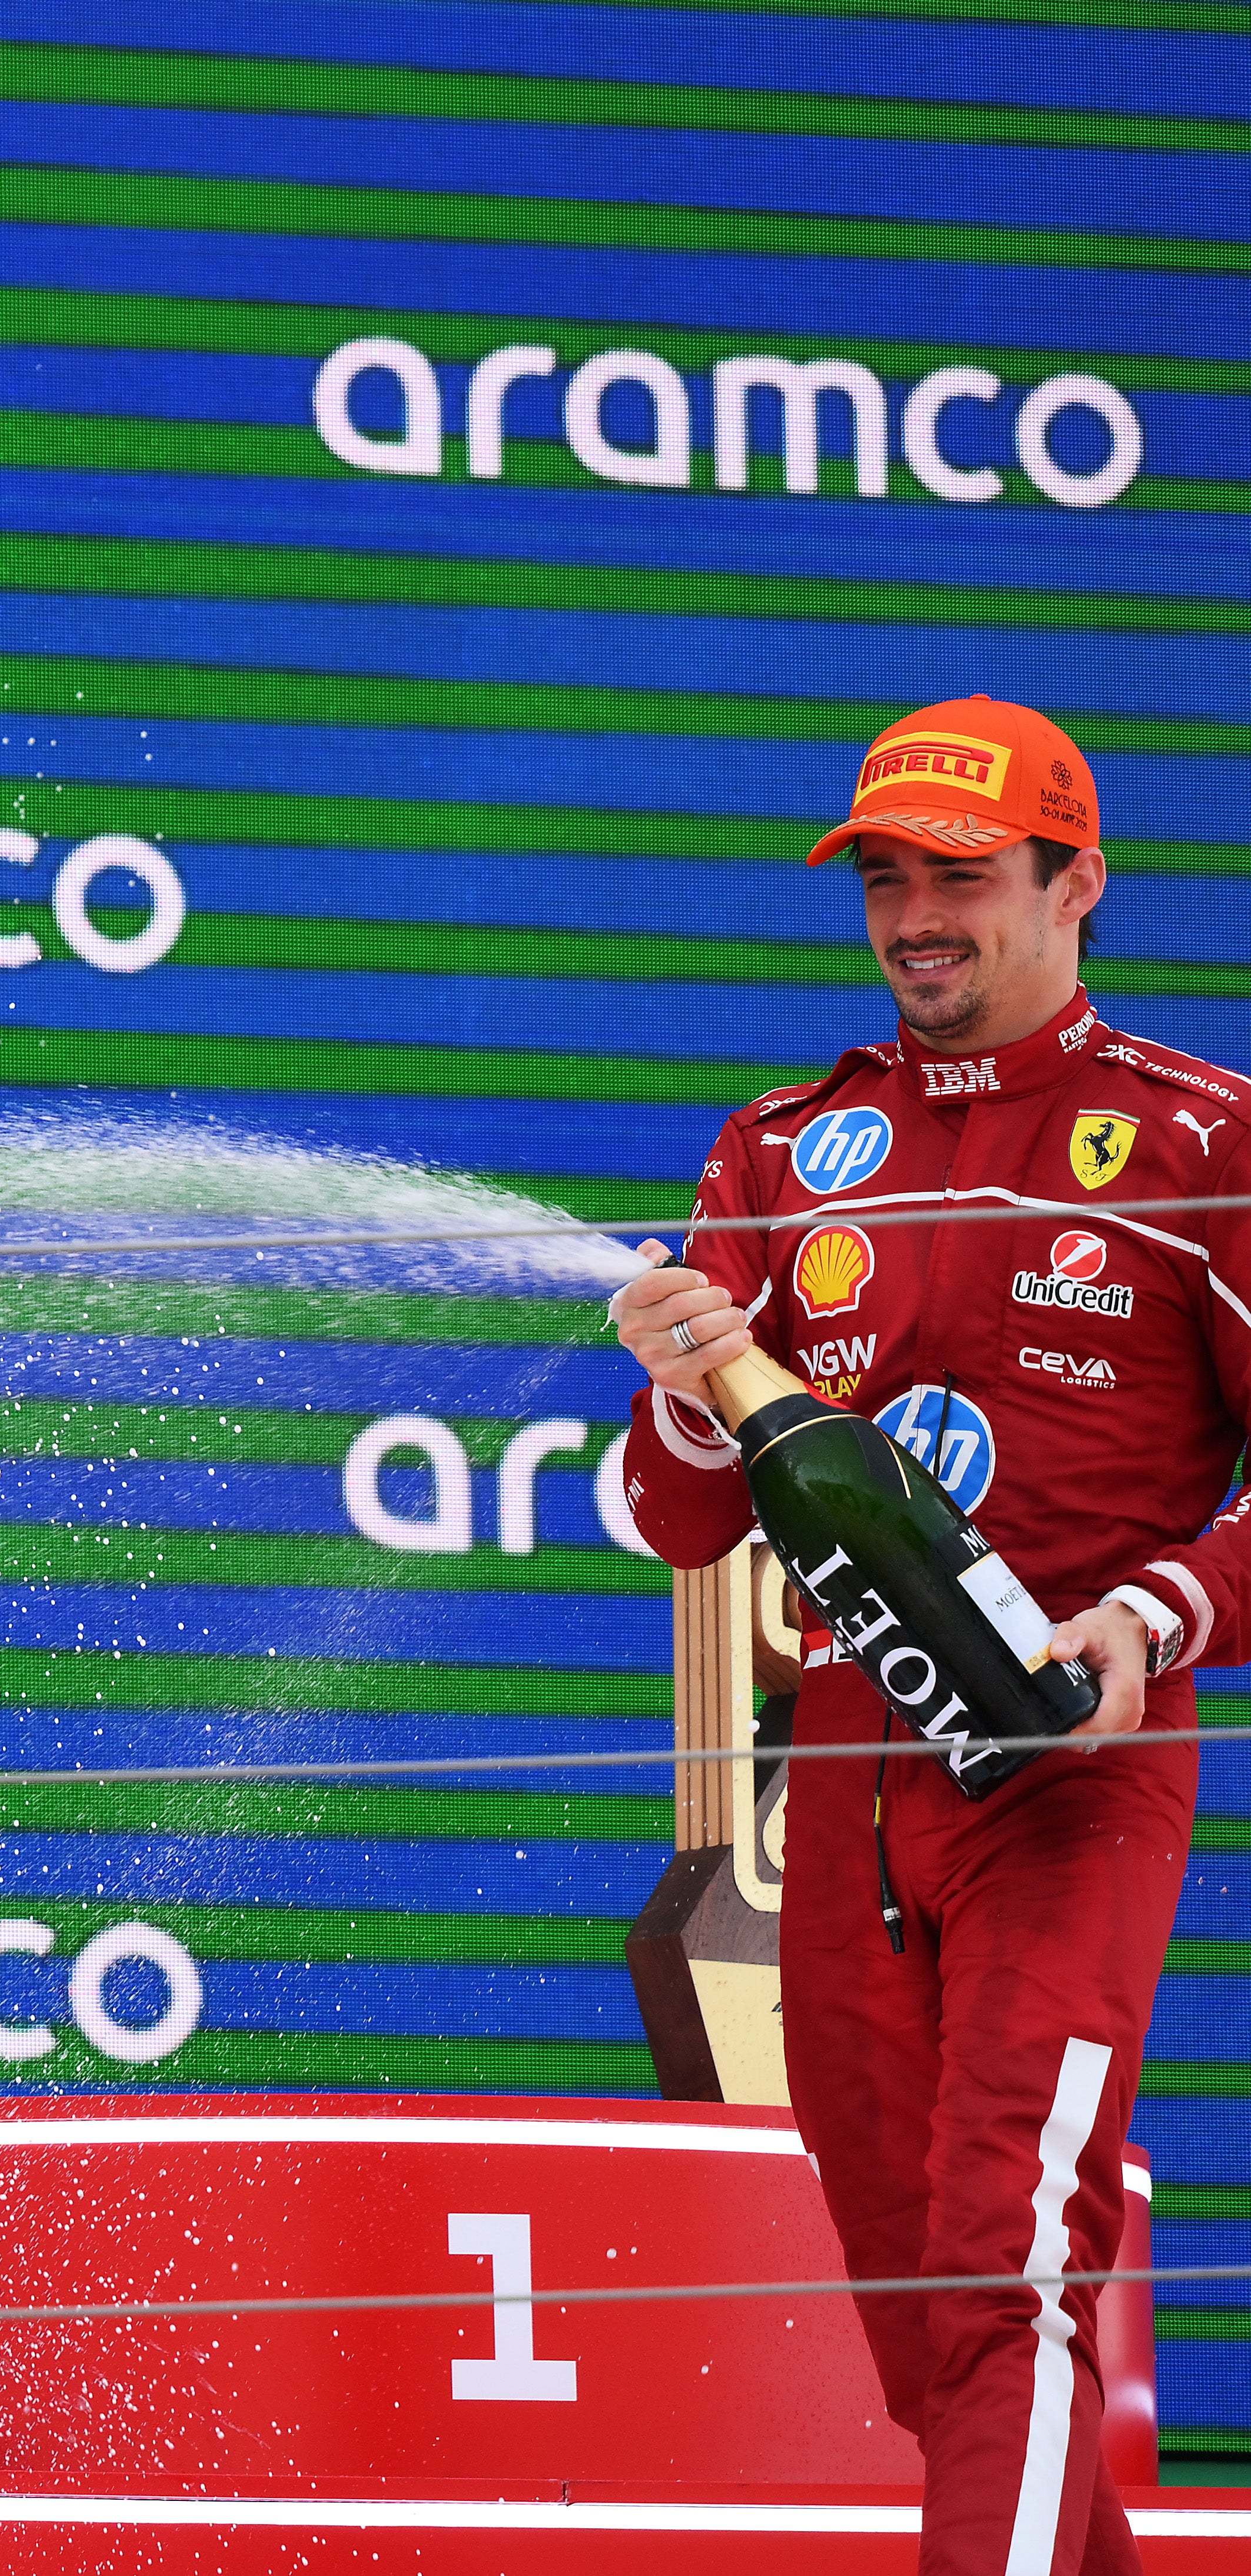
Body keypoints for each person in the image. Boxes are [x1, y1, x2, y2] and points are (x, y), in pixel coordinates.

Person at [609, 697, 1249, 2575]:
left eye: (962, 877)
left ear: (1079, 883)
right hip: (848, 1787)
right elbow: (683, 1519)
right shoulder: (784, 1145)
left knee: (1005, 2268)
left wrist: (1163, 1607)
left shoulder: (1208, 1141)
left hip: (1073, 1776)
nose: (916, 917)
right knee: (929, 2319)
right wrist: (678, 1388)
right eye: (887, 878)